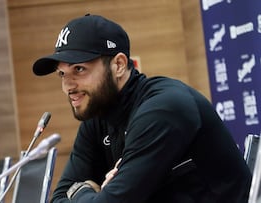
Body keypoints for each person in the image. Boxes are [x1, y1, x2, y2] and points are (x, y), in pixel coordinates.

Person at [32, 14, 252, 203]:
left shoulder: (165, 108)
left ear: (118, 65)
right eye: (62, 74)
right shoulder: (97, 115)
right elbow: (59, 197)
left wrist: (81, 192)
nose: (68, 86)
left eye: (79, 69)